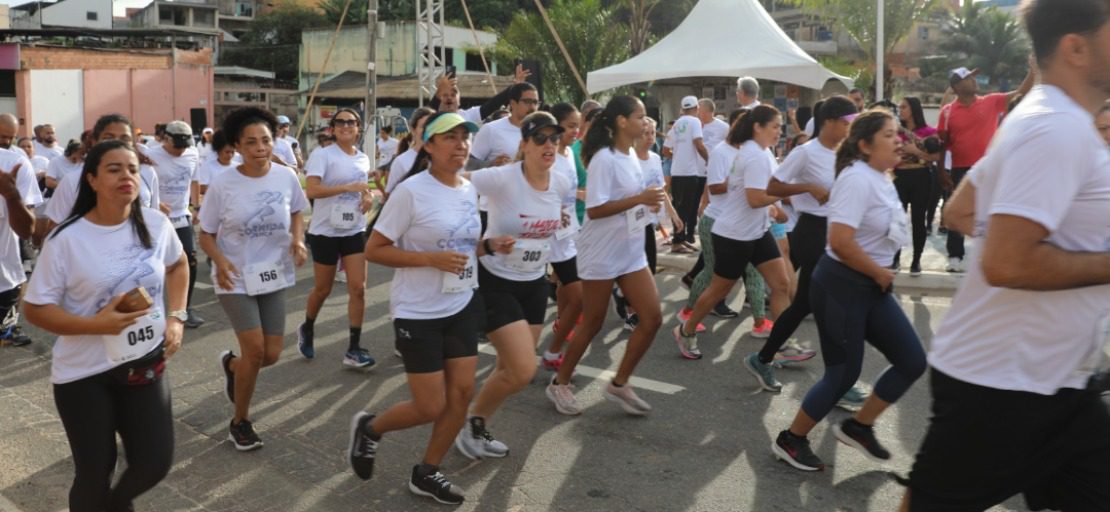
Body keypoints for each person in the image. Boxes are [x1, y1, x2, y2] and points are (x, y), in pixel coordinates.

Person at [902, 0, 1110, 508]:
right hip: (999, 384)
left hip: (1056, 381)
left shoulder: (1045, 119)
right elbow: (1007, 263)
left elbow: (960, 210)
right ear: (1077, 47)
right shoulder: (1055, 128)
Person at [347, 111, 510, 505]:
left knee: (461, 394)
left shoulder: (468, 189)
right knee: (429, 404)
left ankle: (427, 471)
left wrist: (488, 247)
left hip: (461, 301)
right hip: (418, 311)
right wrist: (429, 261)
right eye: (450, 138)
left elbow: (458, 246)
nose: (461, 145)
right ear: (429, 146)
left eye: (465, 138)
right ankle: (371, 428)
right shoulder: (411, 191)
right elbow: (374, 249)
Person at [22, 140, 188, 511]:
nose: (126, 176)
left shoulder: (157, 224)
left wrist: (176, 316)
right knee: (94, 472)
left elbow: (179, 265)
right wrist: (96, 325)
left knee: (153, 463)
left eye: (132, 168)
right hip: (84, 373)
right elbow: (34, 309)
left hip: (144, 361)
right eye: (114, 169)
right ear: (92, 180)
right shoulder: (67, 239)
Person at [772, 110, 926, 472]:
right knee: (843, 373)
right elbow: (840, 241)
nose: (898, 140)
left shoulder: (881, 176)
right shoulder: (856, 179)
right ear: (865, 145)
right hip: (841, 285)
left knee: (911, 361)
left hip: (870, 285)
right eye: (889, 135)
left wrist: (879, 274)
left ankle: (859, 426)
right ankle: (791, 439)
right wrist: (879, 272)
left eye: (897, 134)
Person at [455, 111, 571, 460]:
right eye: (541, 139)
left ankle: (475, 426)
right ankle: (469, 420)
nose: (549, 145)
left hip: (534, 281)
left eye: (555, 138)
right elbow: (457, 183)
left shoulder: (561, 181)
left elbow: (561, 219)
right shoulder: (503, 178)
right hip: (495, 280)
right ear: (525, 145)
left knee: (510, 369)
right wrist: (474, 237)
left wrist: (559, 234)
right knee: (523, 370)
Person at [545, 95, 666, 416]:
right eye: (640, 116)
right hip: (600, 252)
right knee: (593, 321)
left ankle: (619, 383)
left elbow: (629, 201)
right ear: (622, 121)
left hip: (631, 250)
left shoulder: (632, 156)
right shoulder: (604, 159)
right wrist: (639, 198)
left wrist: (648, 204)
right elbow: (596, 210)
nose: (645, 122)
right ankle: (560, 382)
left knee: (652, 317)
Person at [199, 107, 309, 451]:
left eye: (265, 140)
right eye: (251, 142)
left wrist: (298, 239)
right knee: (257, 350)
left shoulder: (286, 176)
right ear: (237, 146)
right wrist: (220, 261)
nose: (260, 147)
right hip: (235, 277)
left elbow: (296, 212)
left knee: (271, 354)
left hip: (273, 273)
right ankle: (240, 421)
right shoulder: (223, 183)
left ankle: (233, 366)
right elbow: (205, 234)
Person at [753, 96, 859, 393]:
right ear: (829, 122)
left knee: (805, 304)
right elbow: (773, 187)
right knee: (825, 305)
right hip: (812, 230)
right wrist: (809, 188)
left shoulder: (847, 152)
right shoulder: (806, 152)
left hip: (835, 232)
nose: (853, 127)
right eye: (848, 122)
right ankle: (839, 381)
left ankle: (763, 358)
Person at [672, 106, 792, 361]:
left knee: (781, 285)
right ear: (757, 127)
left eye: (780, 127)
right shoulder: (753, 155)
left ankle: (781, 344)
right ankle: (687, 329)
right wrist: (797, 191)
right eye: (775, 126)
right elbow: (754, 198)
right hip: (734, 233)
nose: (778, 132)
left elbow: (765, 191)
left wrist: (778, 208)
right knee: (718, 289)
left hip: (757, 231)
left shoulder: (762, 152)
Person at [938, 63, 1035, 272]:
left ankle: (989, 254)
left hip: (990, 168)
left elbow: (1020, 92)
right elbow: (943, 144)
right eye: (967, 78)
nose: (973, 81)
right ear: (956, 86)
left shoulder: (991, 101)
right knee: (958, 213)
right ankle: (955, 256)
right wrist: (941, 171)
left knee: (993, 212)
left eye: (972, 78)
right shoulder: (947, 112)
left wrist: (1033, 70)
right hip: (960, 169)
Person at [299, 108, 376, 368]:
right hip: (325, 232)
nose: (346, 126)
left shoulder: (363, 158)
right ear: (333, 128)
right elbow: (312, 190)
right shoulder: (323, 155)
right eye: (340, 122)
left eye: (351, 122)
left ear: (358, 128)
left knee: (359, 288)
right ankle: (307, 327)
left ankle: (354, 348)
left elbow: (363, 189)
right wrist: (346, 187)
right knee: (323, 289)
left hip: (354, 229)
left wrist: (366, 197)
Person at [41, 115, 162, 250]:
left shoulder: (147, 173)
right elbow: (54, 229)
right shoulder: (72, 181)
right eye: (108, 138)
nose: (117, 144)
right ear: (94, 142)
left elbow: (154, 221)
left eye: (125, 139)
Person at [141, 121, 204, 329]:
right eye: (177, 146)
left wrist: (196, 206)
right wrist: (156, 203)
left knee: (190, 258)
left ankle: (184, 308)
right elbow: (143, 183)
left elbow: (194, 181)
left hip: (180, 215)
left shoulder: (192, 154)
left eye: (184, 146)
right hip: (155, 217)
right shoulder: (150, 156)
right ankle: (144, 309)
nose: (181, 151)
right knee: (150, 264)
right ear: (165, 139)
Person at [543, 102, 585, 371]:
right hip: (547, 235)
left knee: (576, 295)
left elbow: (571, 190)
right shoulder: (547, 155)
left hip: (568, 233)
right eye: (571, 126)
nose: (576, 131)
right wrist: (554, 208)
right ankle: (552, 350)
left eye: (578, 126)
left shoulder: (569, 153)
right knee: (580, 297)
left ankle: (554, 346)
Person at [894, 97, 942, 275]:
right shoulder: (894, 131)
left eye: (904, 107)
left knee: (918, 220)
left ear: (913, 109)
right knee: (898, 219)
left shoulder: (929, 131)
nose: (901, 110)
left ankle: (916, 261)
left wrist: (916, 152)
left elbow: (936, 157)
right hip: (899, 176)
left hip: (921, 176)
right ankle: (895, 259)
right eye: (899, 107)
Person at [0, 143, 39, 348]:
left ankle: (8, 331)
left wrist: (11, 196)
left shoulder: (14, 163)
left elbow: (27, 230)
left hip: (4, 281)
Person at [666, 96, 708, 252]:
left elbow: (665, 150)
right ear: (697, 108)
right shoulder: (695, 121)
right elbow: (699, 144)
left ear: (683, 109)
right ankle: (677, 242)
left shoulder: (677, 124)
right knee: (686, 208)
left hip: (676, 172)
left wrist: (677, 157)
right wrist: (711, 160)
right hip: (689, 172)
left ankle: (680, 239)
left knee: (678, 207)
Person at [469, 82, 540, 168]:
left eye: (535, 102)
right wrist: (491, 164)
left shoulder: (541, 131)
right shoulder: (491, 129)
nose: (532, 107)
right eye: (527, 102)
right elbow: (469, 164)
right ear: (513, 103)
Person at [383, 107, 435, 201]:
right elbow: (390, 196)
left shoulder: (443, 159)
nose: (428, 130)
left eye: (432, 126)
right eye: (424, 126)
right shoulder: (401, 162)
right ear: (413, 130)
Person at [194, 130, 237, 197]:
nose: (230, 155)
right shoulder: (208, 166)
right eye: (227, 152)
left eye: (232, 152)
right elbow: (202, 188)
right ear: (218, 150)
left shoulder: (238, 167)